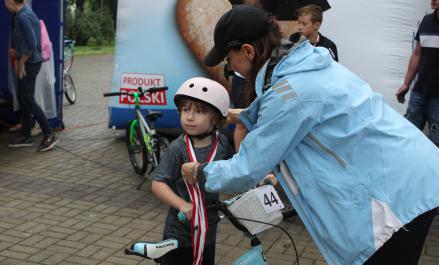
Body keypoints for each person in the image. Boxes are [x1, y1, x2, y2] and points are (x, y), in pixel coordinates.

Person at [181, 5, 439, 265]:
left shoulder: (290, 90)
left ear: (248, 51)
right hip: (411, 174)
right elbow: (291, 108)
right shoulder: (306, 64)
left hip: (394, 195)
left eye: (228, 57)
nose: (229, 65)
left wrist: (201, 172)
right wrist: (240, 114)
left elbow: (247, 169)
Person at [151, 77, 234, 265]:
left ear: (216, 118)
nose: (189, 117)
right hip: (178, 233)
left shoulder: (221, 143)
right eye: (186, 109)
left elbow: (234, 169)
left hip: (208, 231)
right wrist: (181, 204)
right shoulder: (177, 148)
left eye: (199, 111)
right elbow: (158, 184)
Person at [5, 0, 58, 152]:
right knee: (24, 99)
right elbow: (27, 41)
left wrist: (21, 63)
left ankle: (48, 133)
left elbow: (32, 44)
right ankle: (26, 135)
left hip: (30, 63)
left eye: (6, 2)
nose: (4, 5)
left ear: (11, 1)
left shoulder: (23, 16)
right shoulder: (24, 13)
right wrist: (16, 52)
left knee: (28, 99)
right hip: (29, 61)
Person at [396, 0, 439, 148]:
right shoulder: (427, 20)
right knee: (407, 139)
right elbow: (417, 54)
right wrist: (406, 84)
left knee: (435, 146)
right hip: (419, 93)